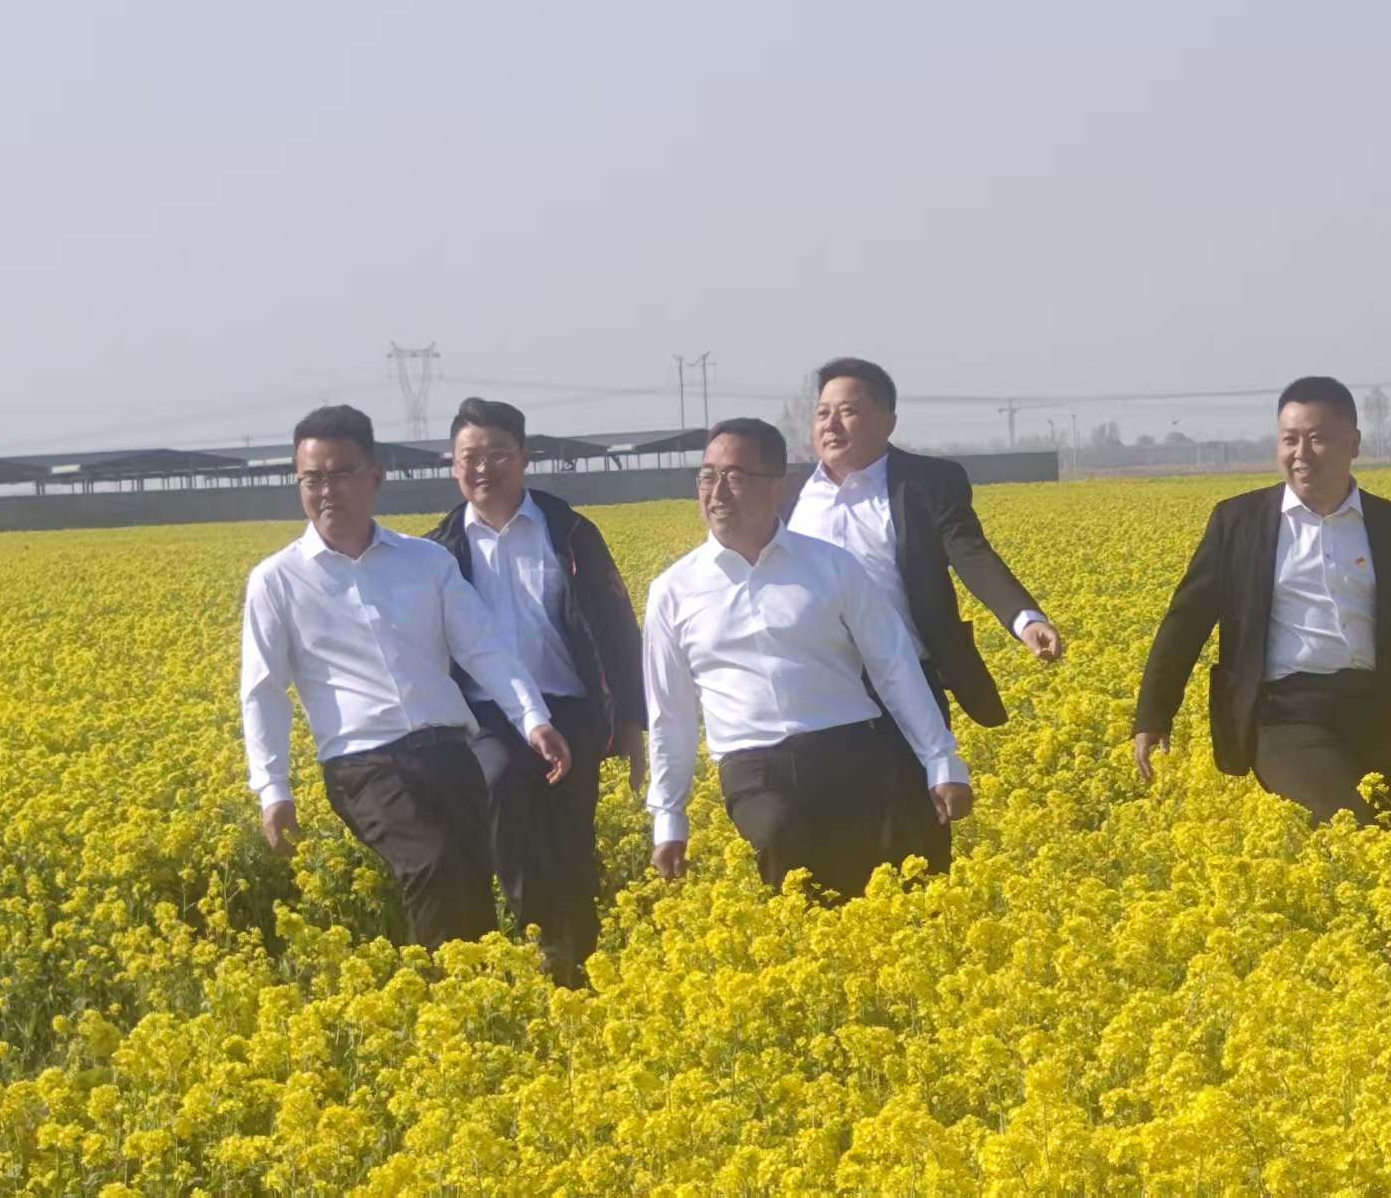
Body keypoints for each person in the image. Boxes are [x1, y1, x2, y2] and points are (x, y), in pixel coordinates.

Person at [240, 404, 571, 950]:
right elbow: (263, 692)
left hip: (450, 754)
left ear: (375, 476)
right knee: (433, 865)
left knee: (471, 886)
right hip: (364, 762)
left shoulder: (426, 561)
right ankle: (440, 989)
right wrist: (274, 789)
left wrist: (532, 718)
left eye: (341, 474)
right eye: (312, 479)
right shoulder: (277, 580)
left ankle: (470, 992)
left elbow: (482, 646)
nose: (326, 491)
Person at [644, 418, 971, 899]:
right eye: (707, 476)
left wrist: (941, 761)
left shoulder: (831, 566)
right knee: (781, 839)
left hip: (849, 751)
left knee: (872, 896)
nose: (717, 493)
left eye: (735, 477)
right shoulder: (673, 590)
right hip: (753, 768)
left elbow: (894, 667)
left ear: (777, 487)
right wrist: (669, 817)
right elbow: (669, 713)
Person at [1133, 376, 1391, 824]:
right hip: (1281, 716)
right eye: (1289, 439)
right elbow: (1186, 622)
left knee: (1384, 841)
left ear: (1354, 444)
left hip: (1374, 715)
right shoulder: (1239, 522)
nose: (1301, 453)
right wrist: (1153, 717)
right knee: (1351, 825)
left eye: (1317, 439)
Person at [786, 357, 1062, 871]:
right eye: (822, 413)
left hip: (906, 682)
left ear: (887, 421)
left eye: (848, 411)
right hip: (816, 694)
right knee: (831, 839)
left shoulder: (928, 482)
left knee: (917, 833)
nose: (831, 424)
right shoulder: (786, 495)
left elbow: (970, 552)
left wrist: (1025, 619)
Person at [425, 397, 646, 986]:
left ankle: (582, 957)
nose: (483, 468)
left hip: (569, 705)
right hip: (485, 714)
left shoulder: (568, 531)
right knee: (502, 786)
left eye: (498, 453)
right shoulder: (438, 549)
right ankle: (537, 936)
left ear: (524, 457)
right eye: (470, 456)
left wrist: (630, 720)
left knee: (570, 831)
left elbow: (616, 627)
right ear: (453, 464)